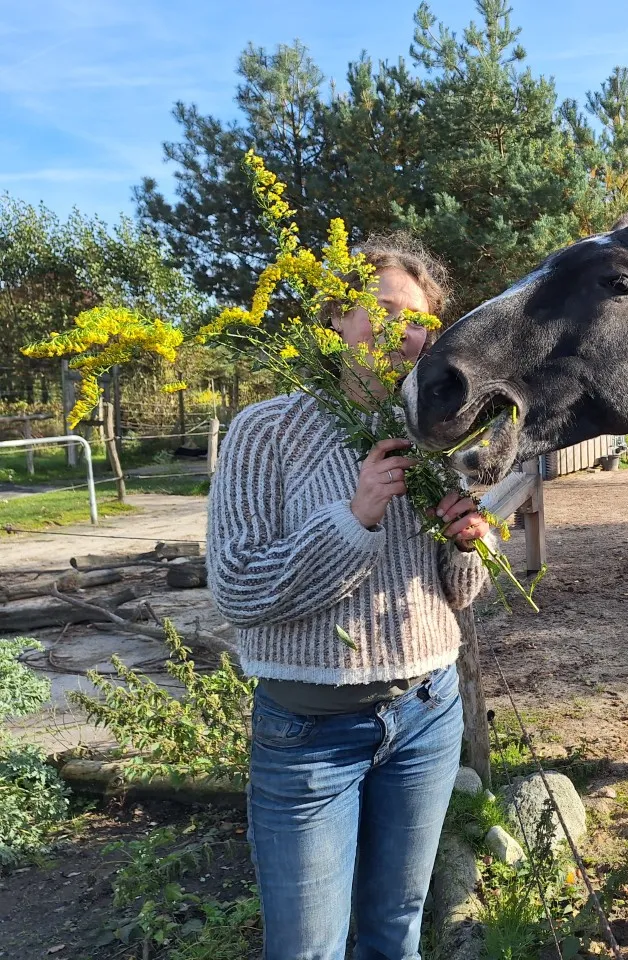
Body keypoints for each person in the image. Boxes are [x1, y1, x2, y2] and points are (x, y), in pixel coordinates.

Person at [206, 233, 490, 960]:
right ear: (336, 317)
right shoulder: (264, 431)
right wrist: (354, 518)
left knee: (396, 936)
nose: (398, 331)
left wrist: (468, 545)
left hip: (427, 716)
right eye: (381, 309)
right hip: (308, 735)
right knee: (306, 950)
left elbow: (457, 596)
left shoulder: (437, 435)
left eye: (417, 320)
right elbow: (237, 587)